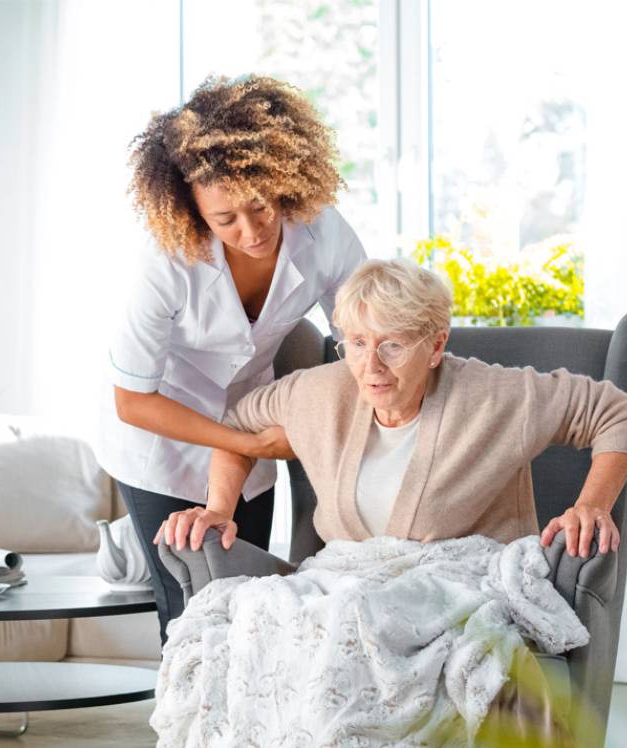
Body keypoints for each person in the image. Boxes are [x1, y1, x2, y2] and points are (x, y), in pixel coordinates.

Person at [95, 74, 366, 644]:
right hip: (161, 436)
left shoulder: (323, 232)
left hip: (248, 420)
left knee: (243, 593)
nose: (251, 231)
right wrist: (246, 443)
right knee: (187, 608)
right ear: (193, 212)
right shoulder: (165, 259)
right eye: (226, 220)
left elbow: (363, 330)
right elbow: (131, 400)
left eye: (260, 206)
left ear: (282, 180)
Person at [158, 258, 627, 563]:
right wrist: (220, 508)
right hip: (346, 590)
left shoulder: (494, 395)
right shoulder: (318, 390)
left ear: (436, 346)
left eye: (392, 345)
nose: (370, 366)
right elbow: (237, 422)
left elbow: (619, 412)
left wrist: (591, 505)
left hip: (465, 589)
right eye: (355, 342)